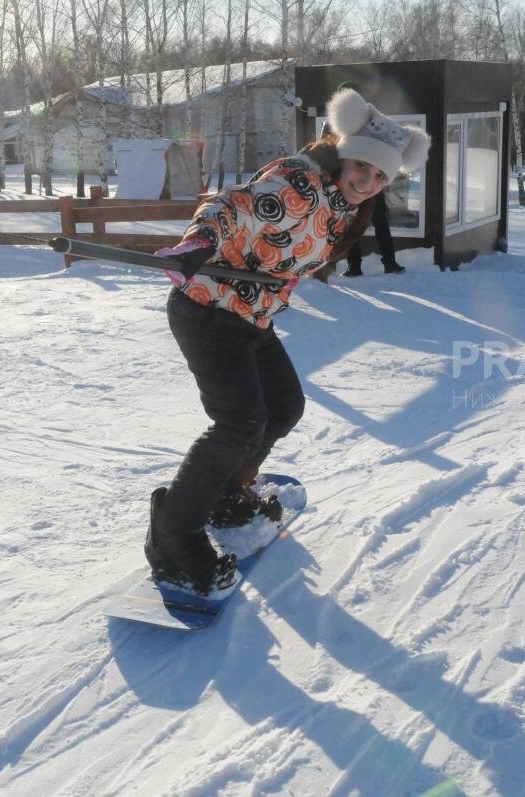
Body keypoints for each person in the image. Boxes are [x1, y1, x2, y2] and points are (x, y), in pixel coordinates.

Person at [145, 88, 430, 594]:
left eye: (381, 176)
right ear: (345, 154)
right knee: (239, 421)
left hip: (251, 314)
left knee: (283, 407)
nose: (368, 182)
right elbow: (235, 207)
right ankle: (174, 533)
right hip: (208, 308)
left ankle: (228, 494)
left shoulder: (343, 203)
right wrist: (201, 242)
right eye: (363, 167)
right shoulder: (299, 181)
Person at [343, 191, 404, 277]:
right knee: (353, 225)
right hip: (357, 188)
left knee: (381, 224)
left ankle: (390, 263)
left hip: (373, 188)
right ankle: (354, 267)